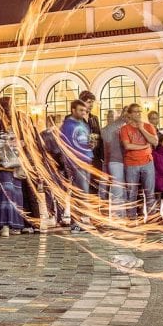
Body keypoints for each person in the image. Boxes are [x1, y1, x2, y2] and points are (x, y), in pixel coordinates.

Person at [0, 95, 27, 237]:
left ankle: (16, 224)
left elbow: (25, 141)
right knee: (6, 191)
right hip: (3, 162)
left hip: (17, 161)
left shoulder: (18, 122)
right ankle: (5, 224)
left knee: (17, 192)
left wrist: (19, 143)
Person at [121, 102, 158, 222]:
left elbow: (155, 142)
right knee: (132, 193)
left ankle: (151, 219)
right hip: (131, 164)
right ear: (130, 114)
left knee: (150, 193)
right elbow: (127, 146)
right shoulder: (124, 129)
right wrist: (144, 147)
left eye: (139, 111)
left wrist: (141, 128)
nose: (138, 114)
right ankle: (131, 219)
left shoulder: (148, 126)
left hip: (147, 163)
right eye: (135, 112)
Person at [61, 98, 94, 233]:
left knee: (84, 193)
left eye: (85, 111)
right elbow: (67, 145)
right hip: (76, 162)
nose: (83, 113)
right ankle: (76, 222)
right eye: (80, 110)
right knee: (80, 192)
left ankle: (81, 220)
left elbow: (83, 141)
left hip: (86, 160)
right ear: (73, 110)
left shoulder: (84, 124)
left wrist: (91, 145)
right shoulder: (67, 125)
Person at [101, 106, 128, 218]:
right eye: (125, 113)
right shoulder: (110, 128)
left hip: (128, 161)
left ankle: (124, 215)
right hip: (114, 161)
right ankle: (117, 216)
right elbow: (106, 136)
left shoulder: (129, 127)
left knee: (125, 191)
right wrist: (120, 120)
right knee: (115, 191)